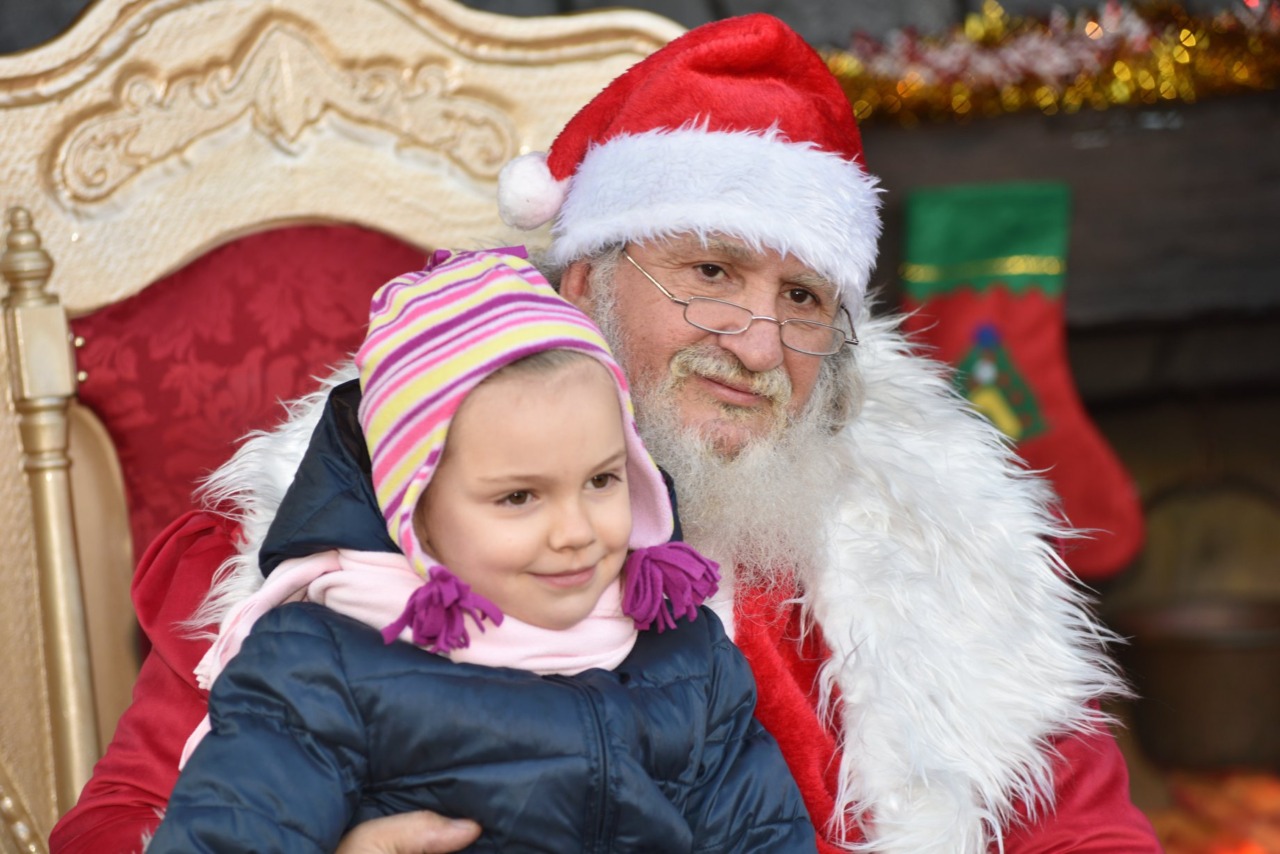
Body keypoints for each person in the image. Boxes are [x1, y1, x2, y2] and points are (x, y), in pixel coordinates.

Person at [52, 13, 1161, 854]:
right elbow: (128, 817)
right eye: (711, 271)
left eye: (803, 299)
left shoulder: (929, 529)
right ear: (583, 280)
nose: (759, 345)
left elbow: (1084, 827)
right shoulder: (363, 520)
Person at [145, 248, 816, 852]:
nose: (575, 531)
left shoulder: (687, 659)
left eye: (602, 481)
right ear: (419, 517)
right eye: (520, 497)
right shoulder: (325, 665)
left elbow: (761, 834)